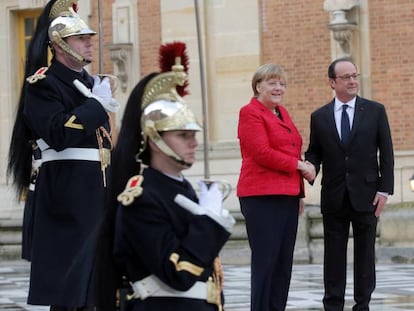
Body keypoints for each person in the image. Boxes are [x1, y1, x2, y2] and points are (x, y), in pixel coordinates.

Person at [7, 1, 119, 310]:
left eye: (90, 37)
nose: (89, 43)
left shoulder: (89, 83)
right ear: (58, 45)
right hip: (66, 189)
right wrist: (97, 105)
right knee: (69, 283)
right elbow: (57, 133)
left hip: (97, 188)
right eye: (81, 38)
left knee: (97, 280)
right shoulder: (43, 84)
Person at [112, 41, 235, 311]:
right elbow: (177, 272)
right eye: (182, 136)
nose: (193, 143)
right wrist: (209, 222)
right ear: (155, 141)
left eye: (193, 135)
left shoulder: (181, 189)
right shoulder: (141, 197)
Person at [304, 57, 394, 311]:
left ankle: (362, 304)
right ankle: (333, 305)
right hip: (333, 196)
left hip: (367, 195)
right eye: (346, 77)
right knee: (333, 255)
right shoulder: (319, 117)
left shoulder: (375, 111)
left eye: (354, 75)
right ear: (332, 82)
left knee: (365, 254)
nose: (353, 81)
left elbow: (386, 154)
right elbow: (315, 152)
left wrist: (384, 190)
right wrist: (309, 167)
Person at [236, 63, 313, 311]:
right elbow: (261, 153)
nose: (278, 88)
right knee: (266, 262)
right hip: (261, 197)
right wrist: (299, 166)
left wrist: (298, 194)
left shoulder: (282, 113)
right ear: (258, 86)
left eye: (281, 83)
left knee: (282, 263)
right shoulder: (250, 112)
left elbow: (290, 146)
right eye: (272, 83)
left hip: (287, 196)